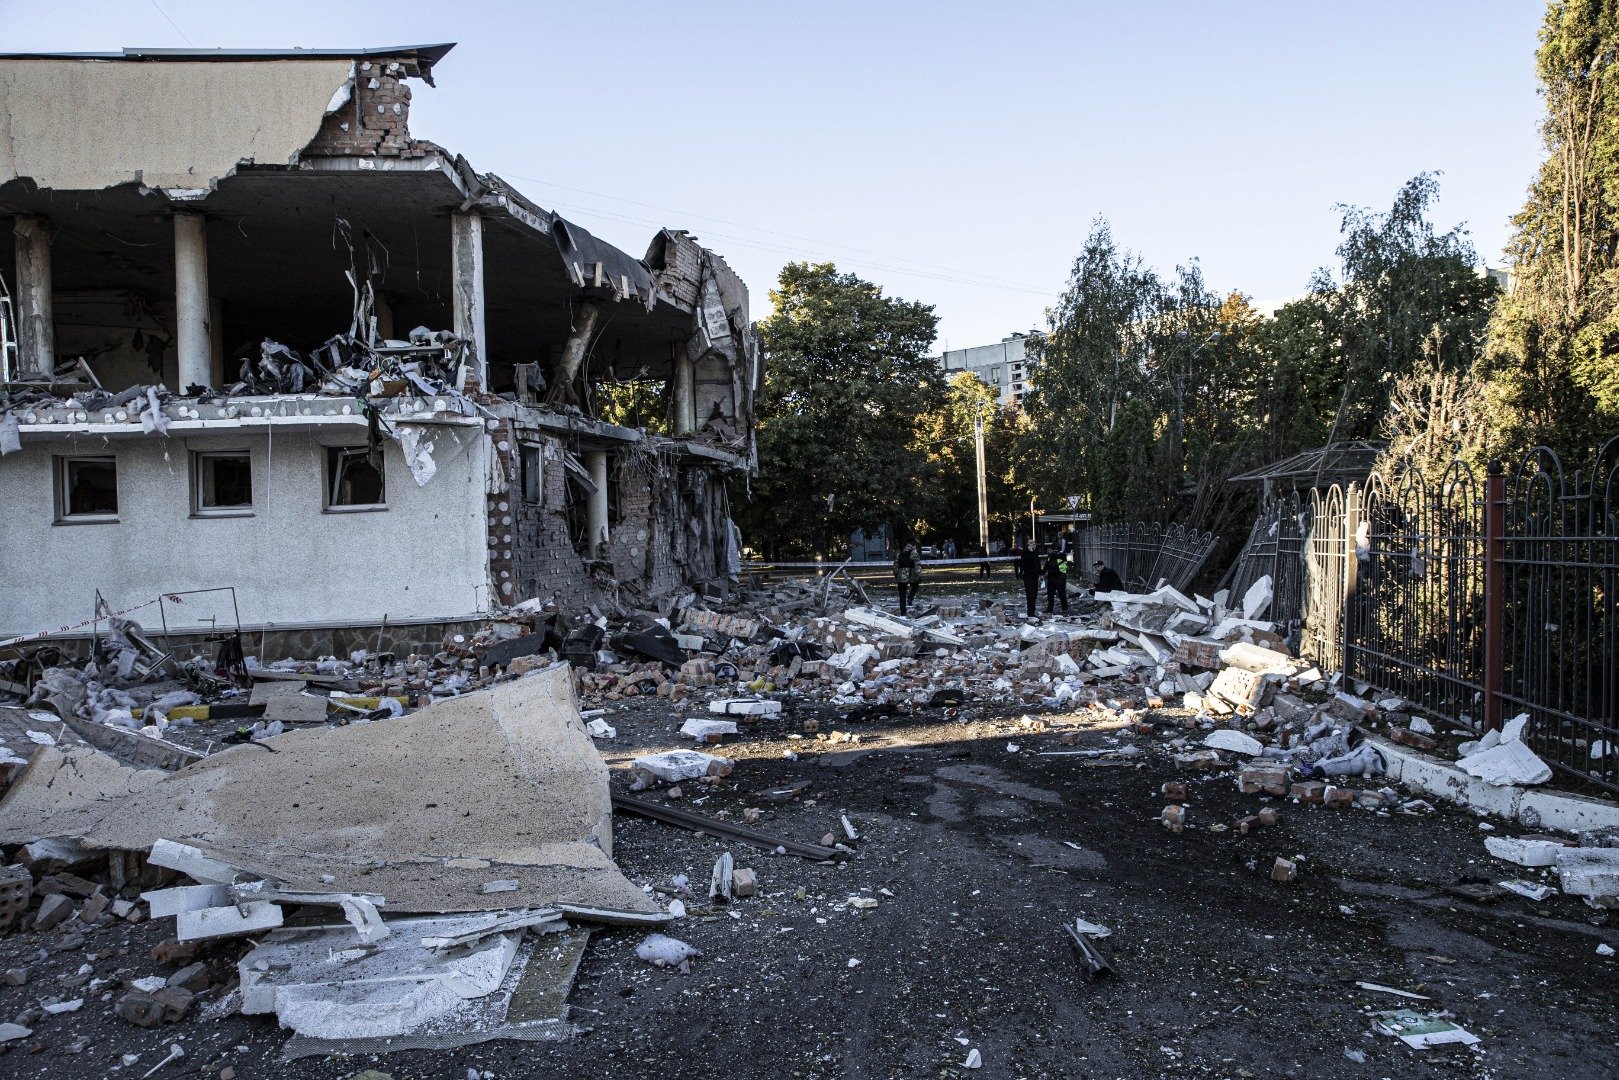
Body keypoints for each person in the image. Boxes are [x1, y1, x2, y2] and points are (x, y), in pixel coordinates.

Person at [1013, 540, 1042, 618]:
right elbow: (1025, 562)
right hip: (1028, 576)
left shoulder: (1035, 552)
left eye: (1034, 543)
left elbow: (1037, 563)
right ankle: (1030, 612)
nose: (1033, 544)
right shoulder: (1025, 553)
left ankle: (1032, 611)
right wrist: (1030, 552)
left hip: (1035, 576)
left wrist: (1040, 573)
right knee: (1030, 595)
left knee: (1035, 595)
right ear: (1028, 545)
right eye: (1031, 543)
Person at [893, 542, 921, 615]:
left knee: (902, 595)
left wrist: (896, 576)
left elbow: (895, 567)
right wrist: (918, 576)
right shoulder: (914, 554)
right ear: (913, 546)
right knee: (915, 586)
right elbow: (917, 566)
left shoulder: (899, 554)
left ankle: (903, 612)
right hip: (911, 576)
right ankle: (910, 597)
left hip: (901, 577)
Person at [1045, 546, 1070, 615]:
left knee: (1061, 594)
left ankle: (1065, 608)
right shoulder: (1050, 558)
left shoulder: (1060, 556)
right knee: (1050, 594)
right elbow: (1046, 567)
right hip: (1051, 578)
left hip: (1060, 578)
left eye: (1050, 551)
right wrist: (1042, 573)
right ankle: (1050, 609)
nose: (1048, 552)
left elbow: (1061, 557)